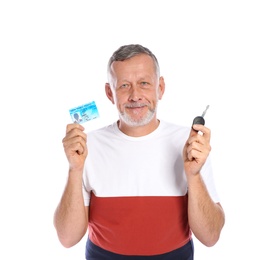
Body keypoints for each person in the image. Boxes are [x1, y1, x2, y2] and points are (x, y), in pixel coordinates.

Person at [53, 44, 225, 259]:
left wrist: (194, 175)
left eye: (144, 83)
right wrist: (74, 170)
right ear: (110, 93)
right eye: (124, 85)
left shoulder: (190, 144)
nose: (135, 96)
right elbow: (67, 239)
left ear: (160, 88)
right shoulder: (87, 146)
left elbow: (211, 237)